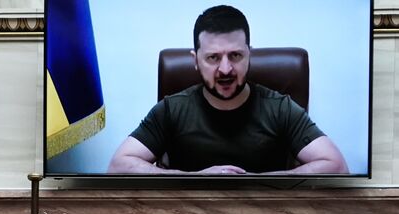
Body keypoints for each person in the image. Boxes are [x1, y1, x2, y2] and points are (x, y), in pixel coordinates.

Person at [108, 4, 349, 176]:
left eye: (235, 55)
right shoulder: (172, 109)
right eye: (213, 57)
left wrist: (257, 182)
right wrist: (195, 179)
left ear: (249, 55)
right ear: (195, 60)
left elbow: (337, 167)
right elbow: (117, 166)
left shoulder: (280, 108)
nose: (225, 69)